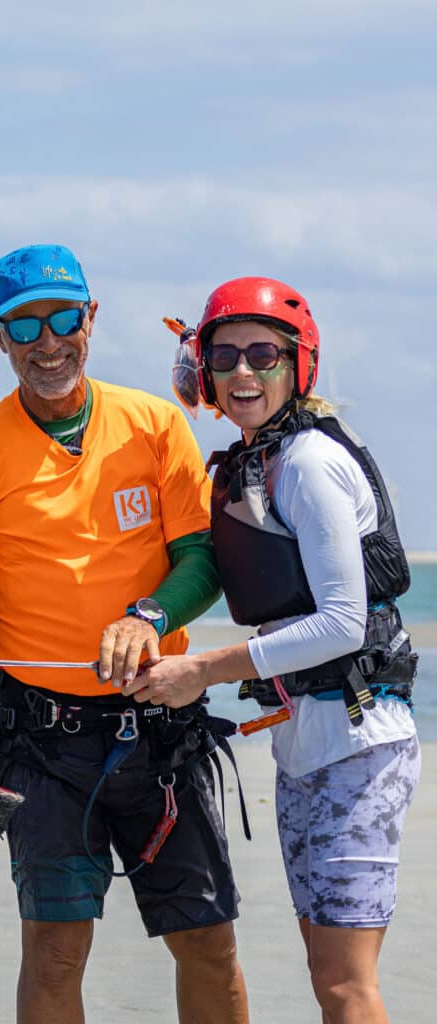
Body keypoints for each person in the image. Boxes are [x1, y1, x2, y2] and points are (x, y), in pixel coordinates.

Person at [0, 245, 249, 1024]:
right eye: (25, 327)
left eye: (62, 320)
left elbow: (199, 560)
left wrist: (146, 618)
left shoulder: (154, 424)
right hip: (42, 745)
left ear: (90, 318)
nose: (47, 343)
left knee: (208, 943)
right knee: (54, 953)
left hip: (159, 731)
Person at [126, 277, 420, 1024]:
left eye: (263, 355)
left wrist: (201, 669)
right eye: (224, 358)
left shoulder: (309, 462)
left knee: (346, 984)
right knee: (326, 974)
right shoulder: (260, 460)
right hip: (306, 744)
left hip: (359, 747)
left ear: (298, 364)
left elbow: (342, 624)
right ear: (201, 373)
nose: (242, 373)